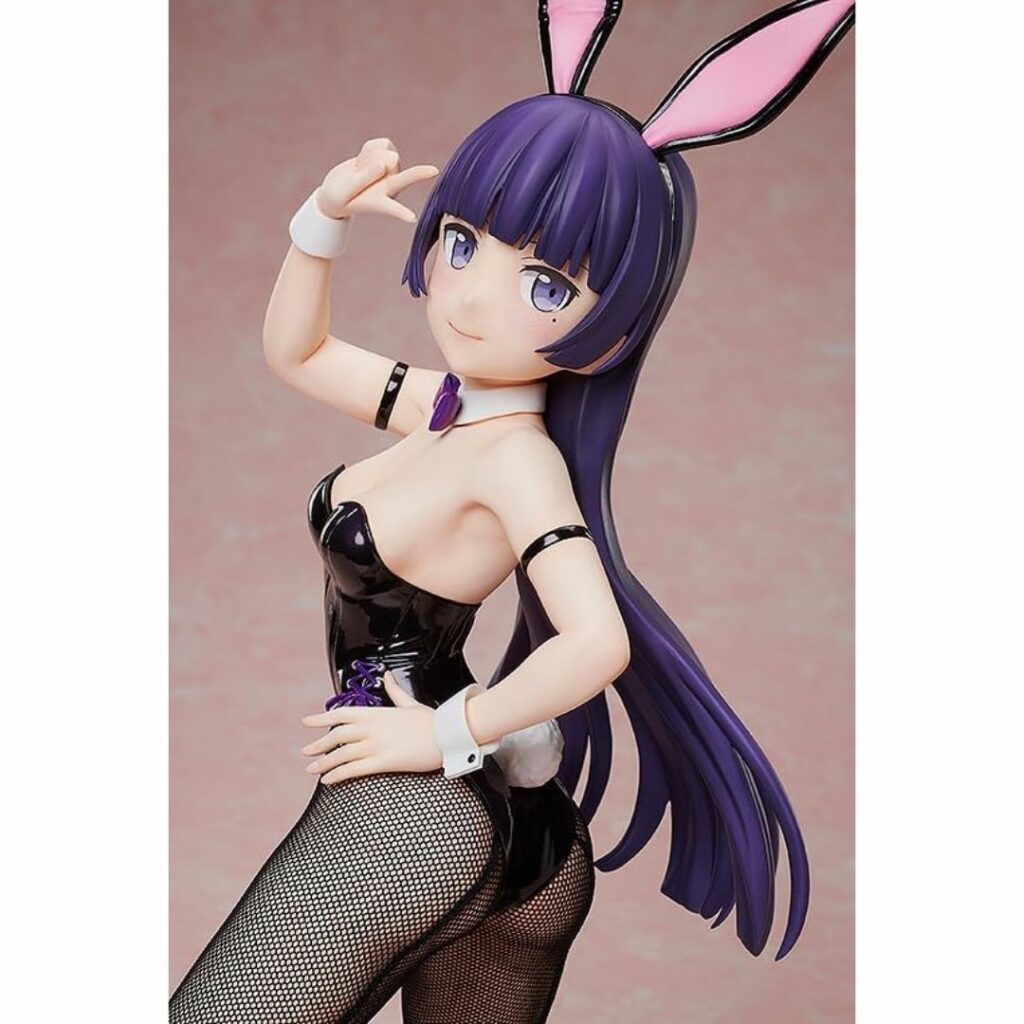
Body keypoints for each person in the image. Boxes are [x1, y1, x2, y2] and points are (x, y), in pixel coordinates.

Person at [170, 2, 854, 1021]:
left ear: (612, 325)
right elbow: (299, 353)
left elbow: (597, 641)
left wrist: (442, 734)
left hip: (424, 814)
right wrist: (323, 218)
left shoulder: (519, 463)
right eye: (462, 242)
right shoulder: (446, 408)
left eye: (544, 285)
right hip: (495, 822)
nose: (473, 299)